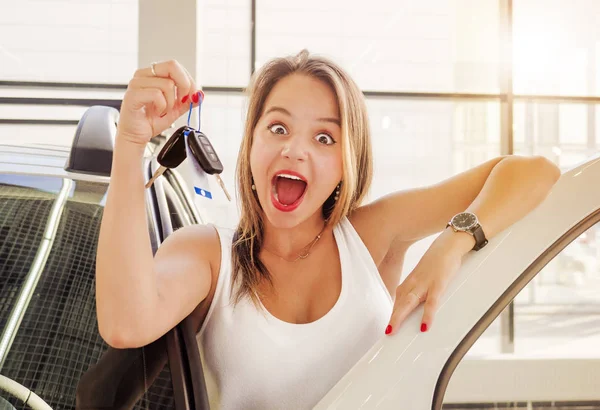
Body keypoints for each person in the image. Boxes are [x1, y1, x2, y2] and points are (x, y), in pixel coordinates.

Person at [96, 50, 561, 409]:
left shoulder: (372, 234)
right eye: (278, 128)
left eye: (324, 138)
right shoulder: (209, 254)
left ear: (346, 163)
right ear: (252, 143)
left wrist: (452, 244)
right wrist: (131, 143)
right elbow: (126, 323)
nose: (296, 150)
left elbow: (535, 171)